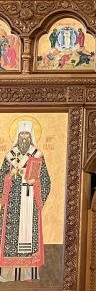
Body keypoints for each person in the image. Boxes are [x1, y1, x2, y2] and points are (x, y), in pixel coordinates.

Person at [0, 121, 51, 282]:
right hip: (13, 202)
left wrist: (35, 182)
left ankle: (28, 275)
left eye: (27, 134)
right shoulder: (10, 155)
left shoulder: (37, 154)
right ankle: (8, 275)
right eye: (21, 134)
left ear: (31, 136)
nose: (24, 137)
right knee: (11, 236)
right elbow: (1, 178)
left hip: (30, 200)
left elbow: (45, 180)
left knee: (28, 236)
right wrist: (10, 175)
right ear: (17, 136)